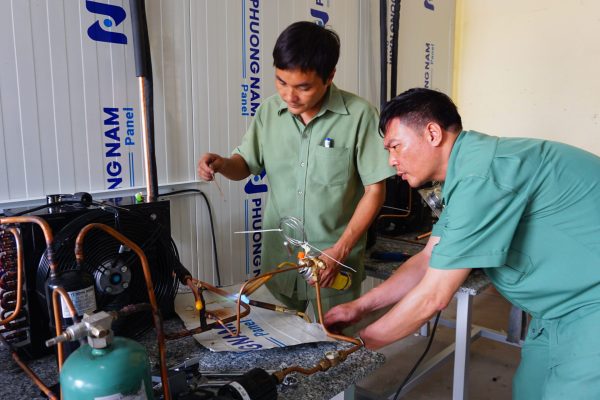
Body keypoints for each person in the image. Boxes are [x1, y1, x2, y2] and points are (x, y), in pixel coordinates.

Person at [324, 87, 600, 399]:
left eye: (396, 147)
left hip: (590, 305)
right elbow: (429, 258)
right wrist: (360, 307)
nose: (391, 161)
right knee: (529, 390)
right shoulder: (467, 172)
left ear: (432, 133)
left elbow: (434, 296)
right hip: (557, 310)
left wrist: (357, 346)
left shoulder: (481, 174)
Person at [197, 21, 395, 315]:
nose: (289, 96)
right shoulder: (269, 112)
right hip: (281, 262)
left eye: (303, 87)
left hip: (333, 264)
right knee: (284, 349)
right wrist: (223, 164)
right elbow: (245, 165)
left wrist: (340, 249)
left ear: (329, 77)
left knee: (333, 350)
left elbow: (375, 190)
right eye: (281, 82)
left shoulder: (359, 116)